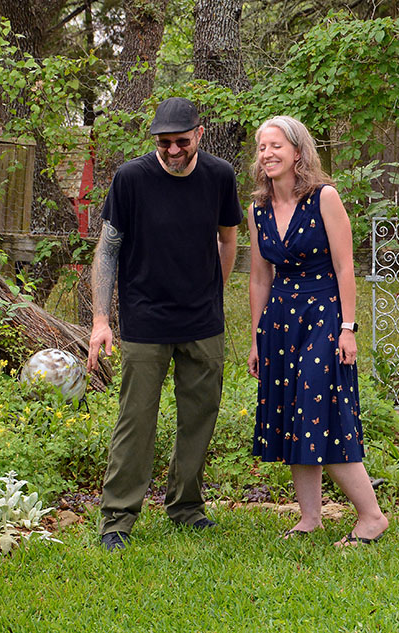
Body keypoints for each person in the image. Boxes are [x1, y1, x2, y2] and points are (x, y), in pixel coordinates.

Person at [87, 97, 243, 552]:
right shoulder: (131, 179)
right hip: (145, 320)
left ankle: (186, 507)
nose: (173, 150)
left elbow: (228, 238)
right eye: (164, 142)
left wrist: (213, 292)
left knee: (199, 418)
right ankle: (117, 518)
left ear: (199, 134)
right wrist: (101, 319)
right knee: (136, 422)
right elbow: (108, 249)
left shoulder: (219, 176)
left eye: (181, 141)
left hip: (202, 322)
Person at [247, 115, 388, 546]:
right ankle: (310, 518)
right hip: (280, 322)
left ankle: (371, 517)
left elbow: (346, 267)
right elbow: (258, 277)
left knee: (319, 407)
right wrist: (256, 336)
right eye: (261, 147)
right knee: (293, 411)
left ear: (297, 152)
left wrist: (348, 327)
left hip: (324, 315)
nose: (267, 154)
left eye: (276, 146)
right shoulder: (257, 208)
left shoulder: (324, 197)